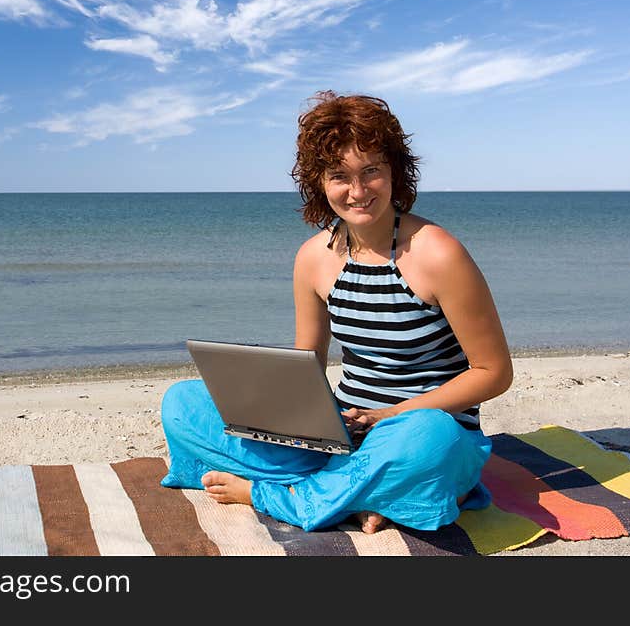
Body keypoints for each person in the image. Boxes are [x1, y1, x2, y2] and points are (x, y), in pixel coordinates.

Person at [160, 90, 513, 534]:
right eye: (339, 176)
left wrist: (393, 414)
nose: (358, 191)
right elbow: (306, 366)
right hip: (341, 436)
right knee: (182, 404)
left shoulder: (438, 253)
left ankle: (275, 494)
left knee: (429, 444)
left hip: (421, 428)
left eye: (371, 172)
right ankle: (363, 493)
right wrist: (281, 415)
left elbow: (493, 371)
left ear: (394, 173)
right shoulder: (313, 258)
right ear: (319, 183)